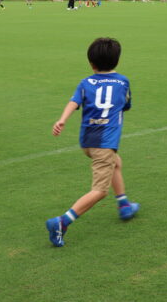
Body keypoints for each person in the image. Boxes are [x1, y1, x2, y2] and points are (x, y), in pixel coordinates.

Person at [47, 37, 140, 247]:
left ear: (91, 63)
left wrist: (62, 120)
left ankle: (124, 204)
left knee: (116, 163)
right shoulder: (123, 82)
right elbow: (126, 105)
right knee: (100, 190)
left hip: (87, 141)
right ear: (117, 61)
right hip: (104, 143)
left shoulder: (85, 83)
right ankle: (61, 222)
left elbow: (74, 101)